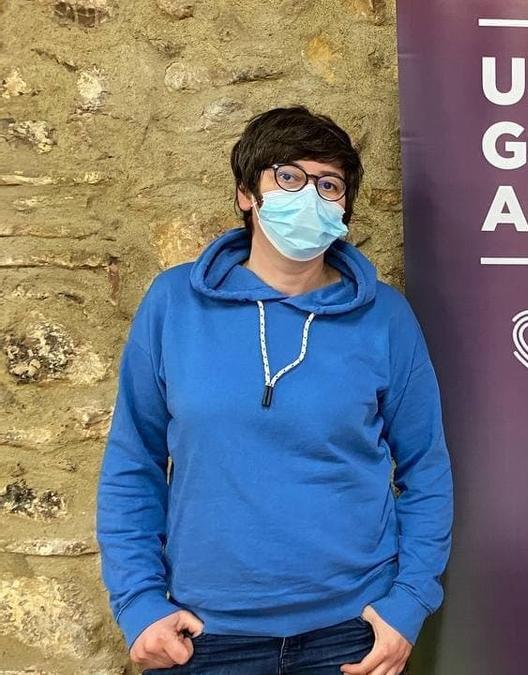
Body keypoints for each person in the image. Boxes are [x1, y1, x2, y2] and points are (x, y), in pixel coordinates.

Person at [95, 106, 453, 674]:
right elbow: (132, 463)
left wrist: (407, 603)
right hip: (204, 635)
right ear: (247, 193)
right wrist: (138, 601)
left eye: (328, 185)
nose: (310, 195)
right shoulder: (172, 306)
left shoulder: (386, 319)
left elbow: (427, 471)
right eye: (288, 177)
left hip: (350, 636)